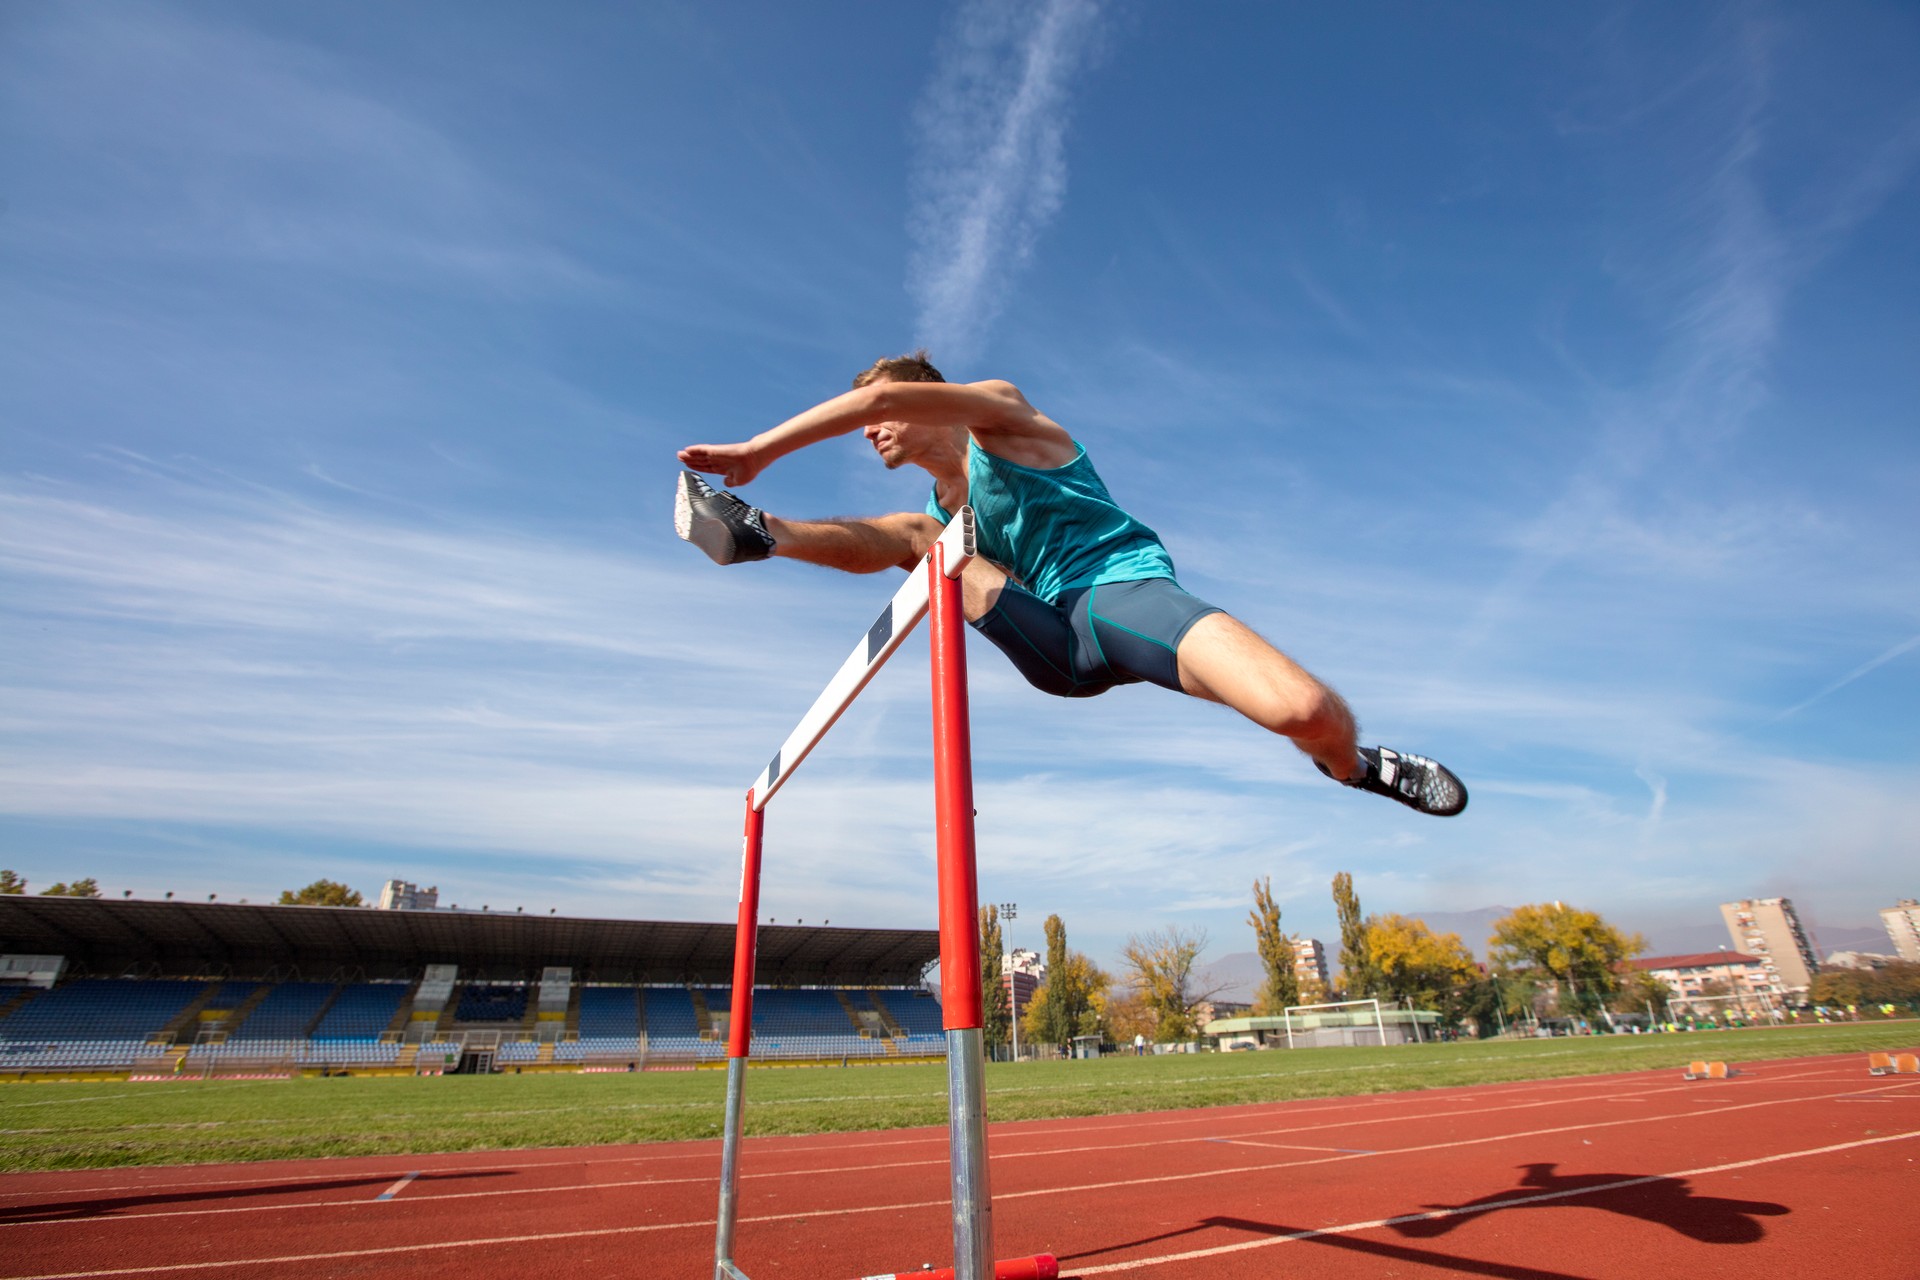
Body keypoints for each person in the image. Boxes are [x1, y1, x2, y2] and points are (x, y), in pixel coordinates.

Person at [675, 351, 1466, 817]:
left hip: (1121, 599)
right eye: (865, 419)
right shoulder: (940, 514)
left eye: (877, 409)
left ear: (927, 397)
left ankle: (1359, 767)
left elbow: (880, 396)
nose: (870, 425)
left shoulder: (1006, 417)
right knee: (918, 537)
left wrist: (757, 447)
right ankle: (759, 532)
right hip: (1051, 646)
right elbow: (879, 546)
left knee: (1305, 711)